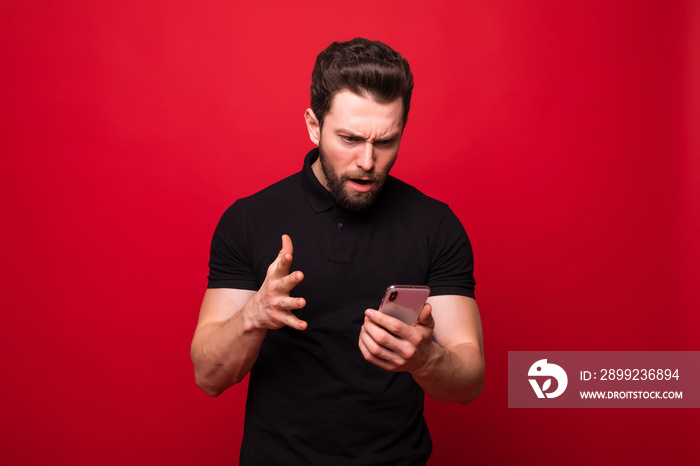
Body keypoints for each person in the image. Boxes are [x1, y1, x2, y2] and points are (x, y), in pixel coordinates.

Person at [190, 37, 484, 465]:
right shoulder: (248, 219)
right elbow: (208, 375)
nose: (367, 160)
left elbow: (470, 380)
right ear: (314, 125)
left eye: (386, 141)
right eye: (349, 138)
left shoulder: (435, 226)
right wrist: (254, 315)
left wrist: (426, 359)